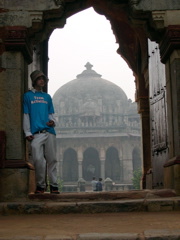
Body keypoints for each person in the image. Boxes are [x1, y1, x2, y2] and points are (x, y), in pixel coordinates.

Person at [23, 70, 60, 194]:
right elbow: (26, 114)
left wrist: (52, 122)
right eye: (39, 78)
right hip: (36, 133)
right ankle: (41, 185)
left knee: (52, 159)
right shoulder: (28, 96)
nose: (42, 80)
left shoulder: (47, 97)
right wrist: (27, 132)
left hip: (49, 131)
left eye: (43, 78)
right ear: (34, 81)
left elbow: (51, 114)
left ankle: (54, 185)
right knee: (38, 159)